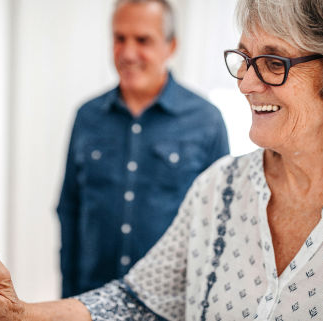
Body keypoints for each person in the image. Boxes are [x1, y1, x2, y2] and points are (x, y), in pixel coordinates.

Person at [0, 0, 323, 319]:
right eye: (243, 57)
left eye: (273, 62)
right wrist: (22, 313)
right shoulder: (221, 188)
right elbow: (139, 299)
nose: (245, 81)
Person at [56, 0, 229, 298]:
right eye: (119, 38)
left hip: (171, 306)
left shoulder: (206, 120)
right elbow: (69, 208)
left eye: (143, 40)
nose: (128, 53)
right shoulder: (87, 117)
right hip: (92, 299)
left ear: (170, 46)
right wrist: (69, 300)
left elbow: (221, 222)